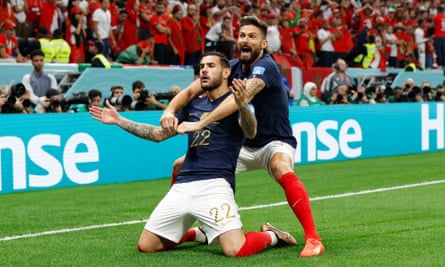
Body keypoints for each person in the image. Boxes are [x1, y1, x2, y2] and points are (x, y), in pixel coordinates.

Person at [89, 51, 297, 257]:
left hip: (215, 185)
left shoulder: (235, 102)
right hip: (184, 185)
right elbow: (158, 135)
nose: (204, 70)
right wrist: (120, 121)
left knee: (235, 249)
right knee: (147, 246)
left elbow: (251, 131)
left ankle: (272, 235)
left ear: (226, 73)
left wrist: (242, 105)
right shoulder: (192, 104)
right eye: (202, 67)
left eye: (211, 66)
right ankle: (199, 234)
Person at [160, 16, 325, 257]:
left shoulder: (266, 66)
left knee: (281, 166)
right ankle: (200, 231)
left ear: (264, 44)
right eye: (242, 35)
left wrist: (203, 122)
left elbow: (244, 96)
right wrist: (169, 110)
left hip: (273, 141)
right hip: (242, 144)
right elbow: (190, 90)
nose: (245, 40)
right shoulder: (232, 67)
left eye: (252, 36)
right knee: (179, 165)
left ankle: (313, 238)